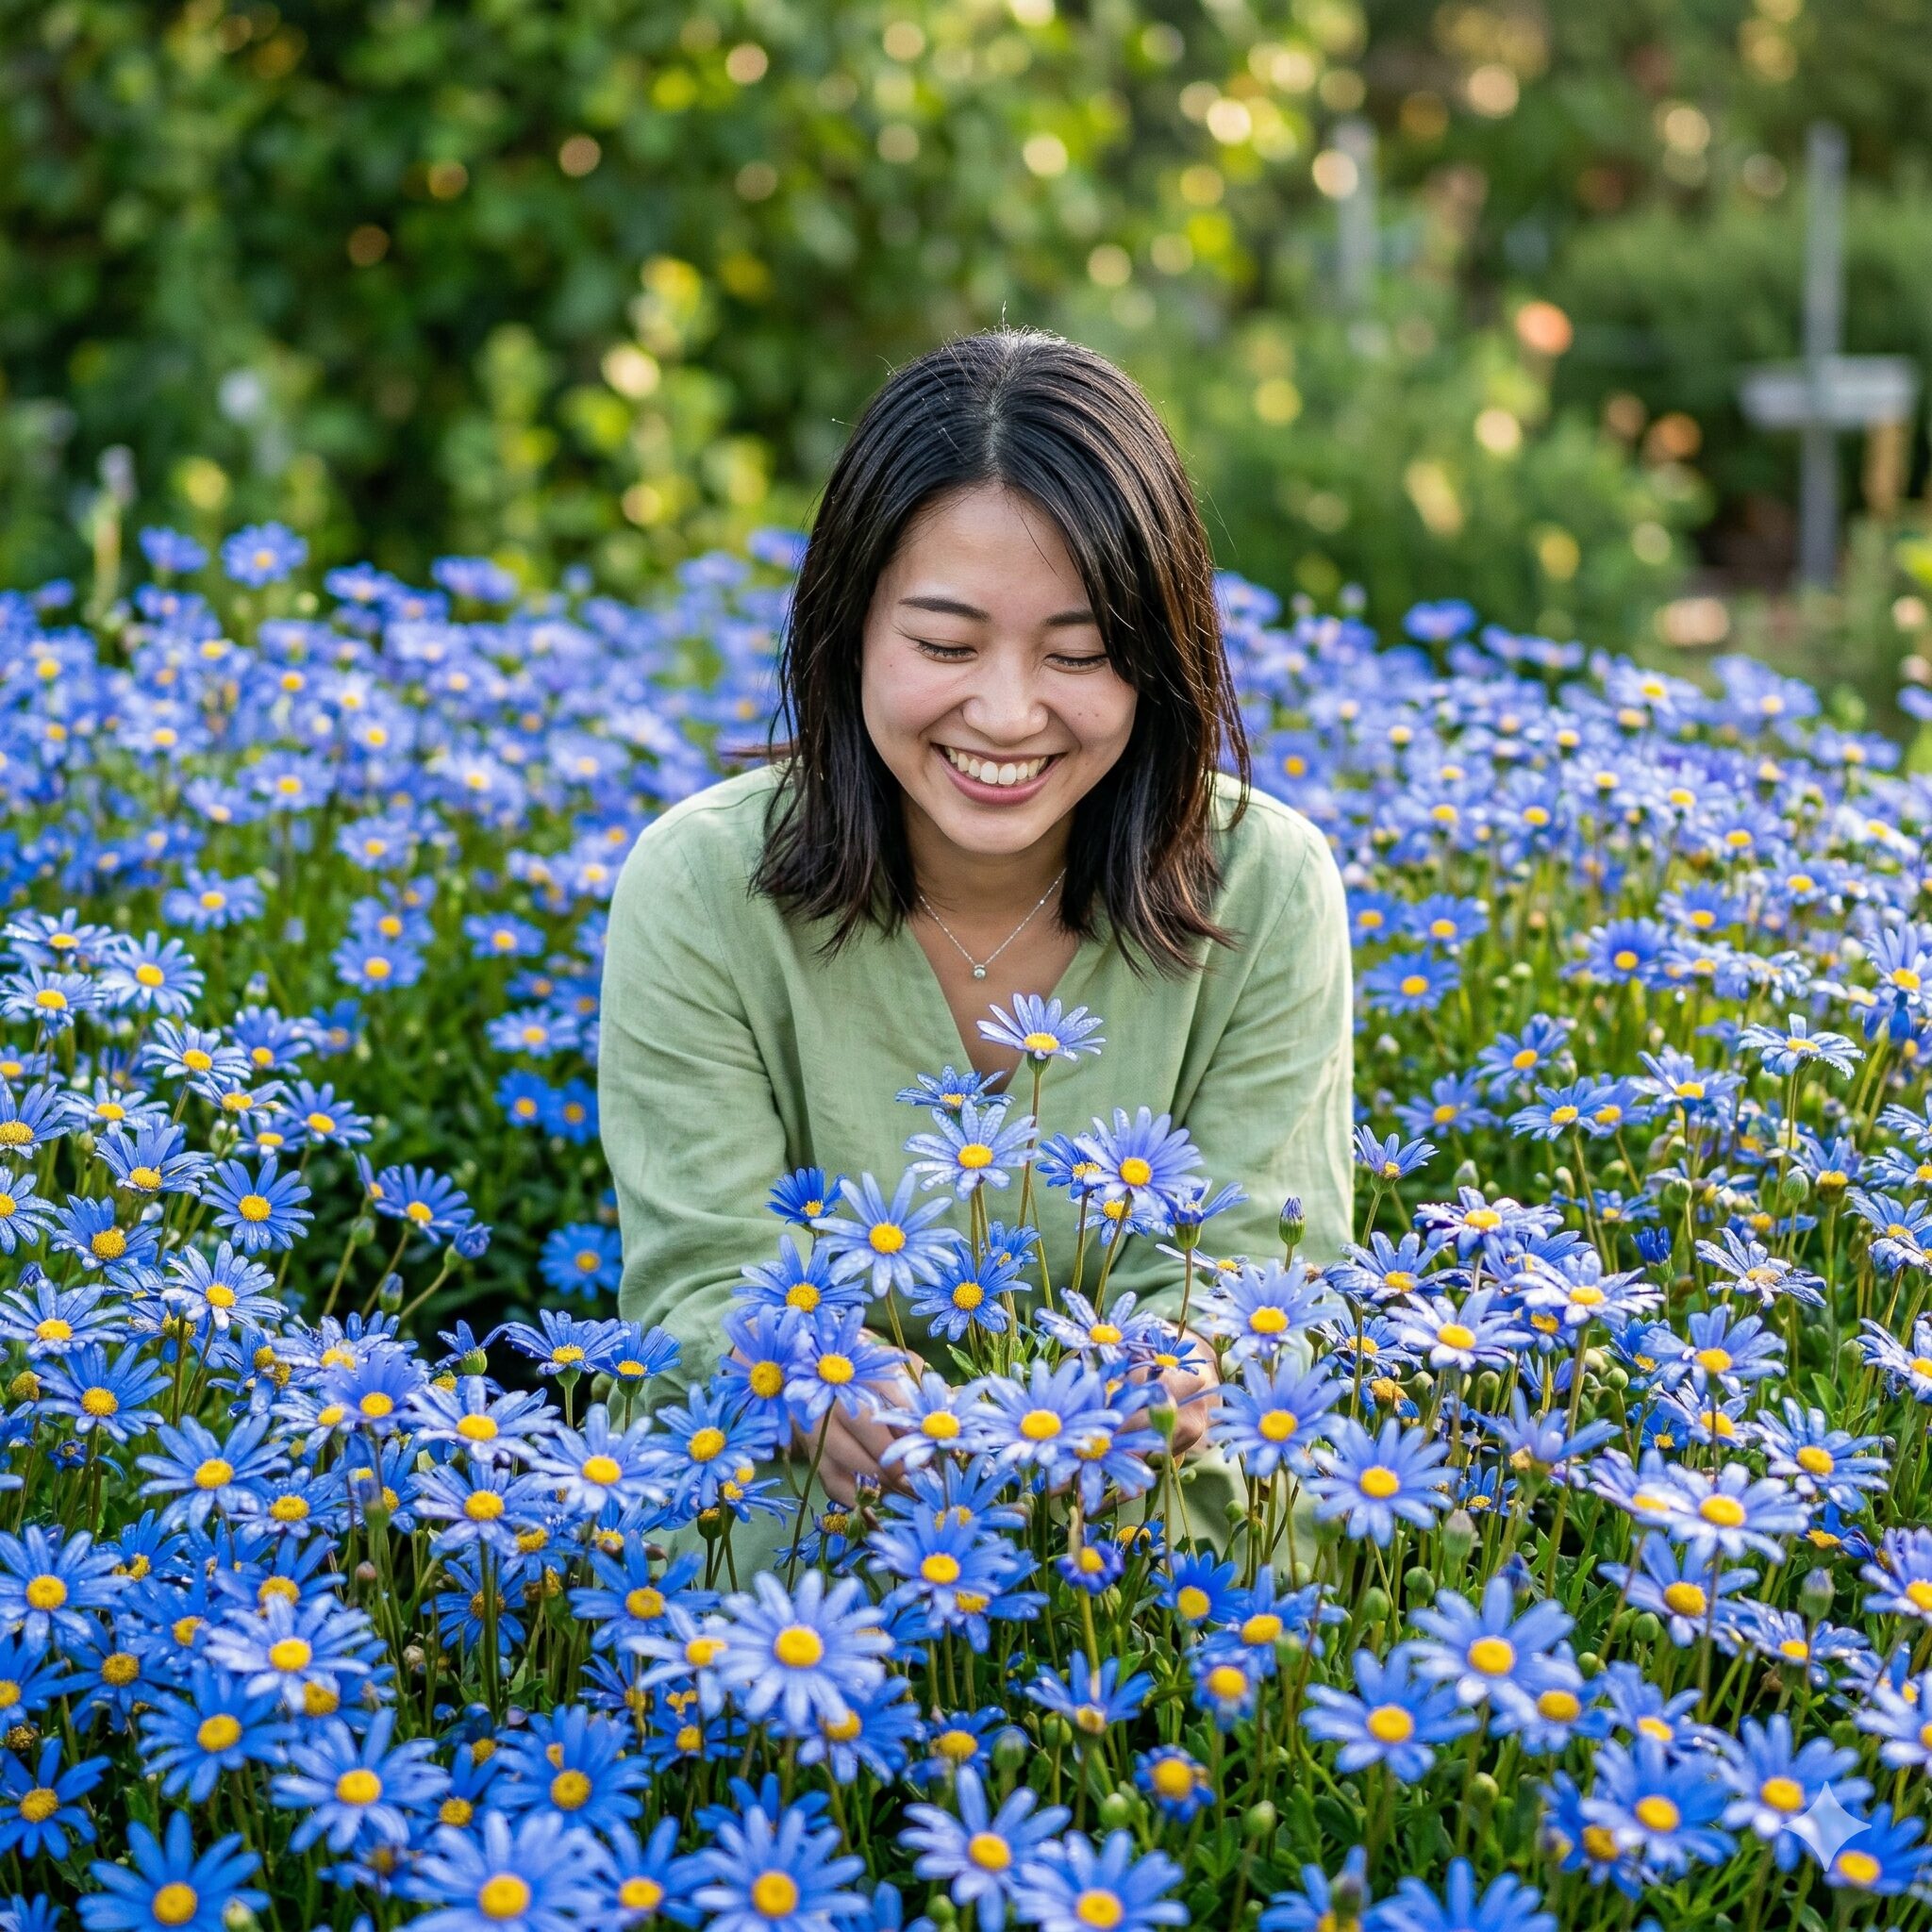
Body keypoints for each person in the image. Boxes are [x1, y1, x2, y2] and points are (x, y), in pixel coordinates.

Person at [596, 325, 1353, 1560]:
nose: (1006, 714)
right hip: (800, 1600)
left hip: (1160, 1579)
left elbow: (1274, 1265)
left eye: (1081, 653)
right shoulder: (700, 884)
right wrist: (806, 1371)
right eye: (945, 646)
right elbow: (701, 1268)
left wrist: (1184, 1362)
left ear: (1161, 663)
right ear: (845, 636)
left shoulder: (1267, 885)